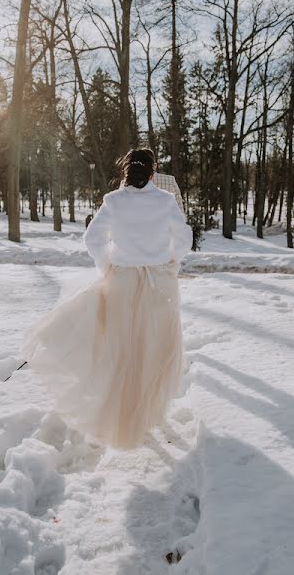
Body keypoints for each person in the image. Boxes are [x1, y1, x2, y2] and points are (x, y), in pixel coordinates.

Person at [22, 148, 192, 448]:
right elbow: (183, 239)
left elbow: (92, 238)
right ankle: (149, 411)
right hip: (159, 284)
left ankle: (126, 412)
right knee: (157, 347)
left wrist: (107, 265)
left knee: (122, 348)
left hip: (122, 282)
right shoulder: (165, 201)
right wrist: (171, 263)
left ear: (126, 171)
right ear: (153, 173)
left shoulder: (113, 201)